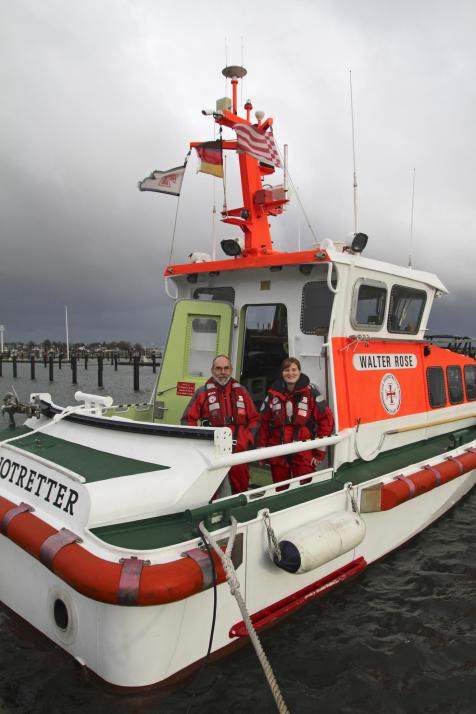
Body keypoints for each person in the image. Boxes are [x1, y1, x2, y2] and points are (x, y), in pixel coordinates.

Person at [181, 355, 259, 494]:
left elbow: (255, 419)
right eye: (218, 368)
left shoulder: (242, 391)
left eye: (226, 368)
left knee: (240, 487)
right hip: (212, 450)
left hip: (238, 450)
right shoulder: (202, 393)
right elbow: (187, 419)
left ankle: (237, 514)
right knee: (211, 490)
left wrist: (247, 439)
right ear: (212, 371)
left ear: (231, 370)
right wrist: (199, 442)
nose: (222, 372)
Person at [257, 357, 334, 486]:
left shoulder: (311, 393)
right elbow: (263, 423)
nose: (290, 373)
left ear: (299, 371)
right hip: (278, 451)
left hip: (303, 450)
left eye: (294, 369)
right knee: (279, 489)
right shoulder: (272, 394)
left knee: (303, 490)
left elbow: (326, 420)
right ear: (282, 373)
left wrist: (319, 452)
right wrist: (262, 451)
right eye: (286, 370)